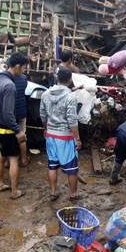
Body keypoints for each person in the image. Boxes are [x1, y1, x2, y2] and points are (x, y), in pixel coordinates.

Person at [0, 52, 29, 199]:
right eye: (23, 68)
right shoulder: (9, 85)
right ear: (17, 67)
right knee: (13, 159)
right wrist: (18, 130)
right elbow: (8, 114)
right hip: (6, 129)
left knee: (1, 156)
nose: (24, 71)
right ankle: (14, 191)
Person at [40, 67, 82, 202]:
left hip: (51, 135)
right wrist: (78, 138)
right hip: (65, 137)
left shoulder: (45, 94)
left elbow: (43, 115)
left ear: (57, 78)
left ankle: (52, 193)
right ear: (70, 80)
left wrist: (45, 129)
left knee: (52, 165)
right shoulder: (70, 97)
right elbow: (72, 119)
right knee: (72, 168)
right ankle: (73, 194)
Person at [12, 68, 30, 166]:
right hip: (21, 112)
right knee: (22, 136)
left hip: (10, 114)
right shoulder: (24, 78)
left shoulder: (7, 79)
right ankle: (24, 159)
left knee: (8, 138)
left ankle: (6, 162)